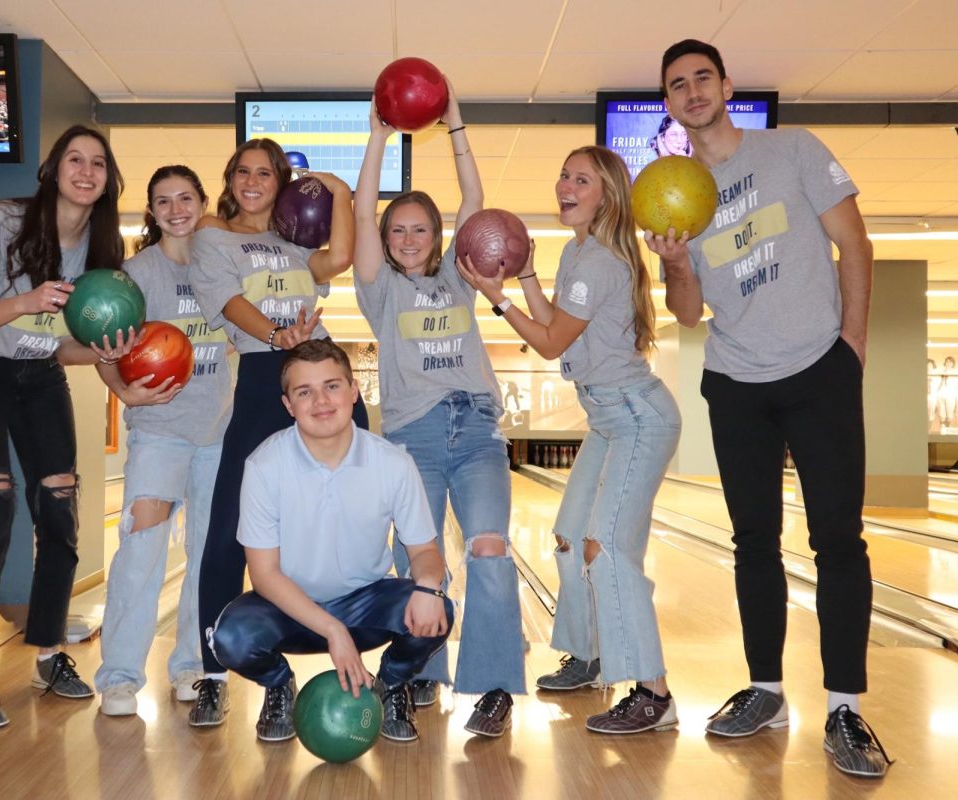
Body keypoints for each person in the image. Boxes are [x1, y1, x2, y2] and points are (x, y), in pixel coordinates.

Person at [649, 39, 891, 777]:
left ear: (726, 86)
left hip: (820, 369)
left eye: (702, 79)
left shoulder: (791, 150)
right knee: (753, 542)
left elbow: (856, 244)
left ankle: (846, 706)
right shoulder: (674, 193)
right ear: (667, 105)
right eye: (677, 86)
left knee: (838, 540)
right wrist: (678, 265)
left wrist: (850, 346)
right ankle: (766, 691)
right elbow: (687, 315)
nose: (692, 93)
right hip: (735, 379)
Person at [457, 146, 682, 734]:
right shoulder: (576, 250)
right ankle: (591, 655)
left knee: (603, 546)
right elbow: (559, 322)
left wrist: (496, 294)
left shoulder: (602, 260)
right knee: (567, 538)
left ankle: (653, 693)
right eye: (563, 174)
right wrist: (528, 275)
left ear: (606, 195)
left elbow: (551, 342)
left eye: (582, 179)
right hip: (608, 419)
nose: (566, 185)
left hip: (636, 417)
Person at [0, 125, 130, 729]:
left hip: (39, 377)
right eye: (75, 158)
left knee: (60, 508)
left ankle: (49, 653)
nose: (86, 170)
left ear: (107, 181)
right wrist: (24, 300)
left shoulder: (102, 250)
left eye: (98, 163)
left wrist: (108, 351)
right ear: (52, 170)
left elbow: (65, 349)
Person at [354, 83, 525, 738]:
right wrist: (376, 134)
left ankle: (494, 687)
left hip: (477, 428)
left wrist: (456, 125)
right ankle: (420, 671)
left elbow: (474, 203)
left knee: (488, 550)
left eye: (418, 228)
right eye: (396, 230)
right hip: (413, 438)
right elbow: (363, 207)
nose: (405, 237)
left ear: (437, 238)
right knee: (417, 560)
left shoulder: (460, 277)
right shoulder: (379, 291)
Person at [188, 138, 366, 727]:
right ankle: (214, 672)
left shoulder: (295, 243)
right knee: (227, 528)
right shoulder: (214, 235)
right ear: (230, 178)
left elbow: (339, 256)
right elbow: (226, 301)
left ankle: (371, 657)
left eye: (266, 173)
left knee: (355, 510)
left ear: (283, 181)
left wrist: (335, 187)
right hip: (266, 375)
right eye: (242, 171)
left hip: (318, 370)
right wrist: (275, 335)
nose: (253, 181)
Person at [210, 340, 453, 743]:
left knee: (436, 608)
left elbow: (425, 551)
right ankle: (279, 685)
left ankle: (391, 683)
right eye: (304, 392)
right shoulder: (264, 466)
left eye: (332, 386)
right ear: (289, 405)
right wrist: (333, 630)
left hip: (365, 603)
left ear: (353, 391)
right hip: (287, 608)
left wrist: (428, 586)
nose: (321, 401)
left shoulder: (392, 463)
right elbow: (265, 575)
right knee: (230, 638)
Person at [93, 166, 233, 716]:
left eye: (184, 198)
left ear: (202, 202)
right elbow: (106, 346)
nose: (176, 209)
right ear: (150, 212)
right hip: (159, 432)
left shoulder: (222, 264)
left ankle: (193, 668)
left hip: (219, 432)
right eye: (162, 201)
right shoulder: (136, 274)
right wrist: (125, 392)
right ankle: (121, 678)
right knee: (140, 552)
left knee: (206, 555)